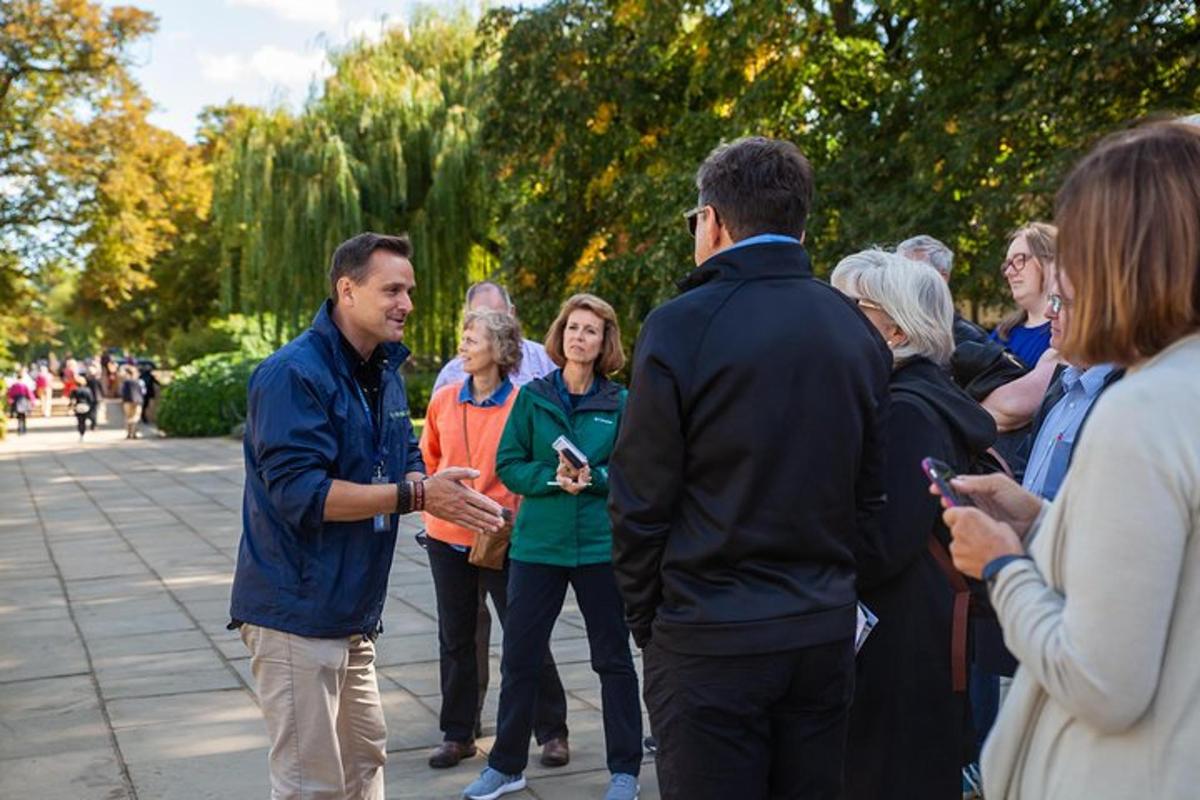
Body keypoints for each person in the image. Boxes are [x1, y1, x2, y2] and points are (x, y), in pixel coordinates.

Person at [608, 136, 892, 799]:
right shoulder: (854, 329)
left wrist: (651, 622)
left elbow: (639, 499)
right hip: (817, 628)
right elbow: (869, 496)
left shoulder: (681, 325)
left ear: (712, 221)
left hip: (710, 635)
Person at [937, 121, 1200, 799]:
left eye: (1077, 246)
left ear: (1126, 256)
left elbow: (1103, 682)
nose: (1063, 278)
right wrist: (1044, 520)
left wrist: (1003, 564)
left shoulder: (1142, 411)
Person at [228, 232, 506, 800]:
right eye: (393, 290)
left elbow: (402, 458)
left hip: (352, 613)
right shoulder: (292, 374)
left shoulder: (384, 371)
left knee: (364, 762)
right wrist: (418, 497)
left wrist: (431, 486)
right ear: (347, 290)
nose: (406, 303)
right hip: (295, 612)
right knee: (313, 783)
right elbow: (301, 495)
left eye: (410, 290)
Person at [463, 294, 642, 800]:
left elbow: (633, 472)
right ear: (560, 337)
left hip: (599, 550)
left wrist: (596, 477)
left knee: (613, 660)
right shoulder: (533, 396)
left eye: (590, 330)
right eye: (572, 329)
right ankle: (505, 766)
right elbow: (509, 463)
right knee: (519, 659)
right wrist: (551, 479)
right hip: (537, 547)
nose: (579, 337)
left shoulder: (621, 403)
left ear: (605, 342)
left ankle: (624, 770)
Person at [831, 251, 996, 799]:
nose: (838, 317)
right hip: (913, 637)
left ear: (895, 328)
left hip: (901, 648)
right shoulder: (920, 397)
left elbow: (883, 545)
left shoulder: (908, 411)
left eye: (854, 307)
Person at [420, 309, 569, 771]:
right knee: (456, 637)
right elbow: (428, 461)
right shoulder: (444, 400)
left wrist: (515, 513)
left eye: (471, 339)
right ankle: (458, 734)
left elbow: (542, 464)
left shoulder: (525, 401)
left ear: (500, 350)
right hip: (447, 537)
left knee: (524, 634)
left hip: (507, 535)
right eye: (463, 338)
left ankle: (552, 732)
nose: (462, 346)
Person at [1019, 271, 1121, 502]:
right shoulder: (1061, 387)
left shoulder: (1121, 400)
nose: (1048, 313)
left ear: (1100, 314)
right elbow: (1028, 476)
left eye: (1060, 303)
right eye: (1050, 300)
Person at [433, 281, 557, 392]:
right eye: (480, 318)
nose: (491, 327)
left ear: (512, 313)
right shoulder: (451, 375)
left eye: (497, 319)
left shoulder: (545, 361)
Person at [896, 234, 989, 346]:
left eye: (912, 270)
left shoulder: (970, 339)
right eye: (898, 270)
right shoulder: (886, 328)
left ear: (942, 278)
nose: (901, 278)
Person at [989, 224, 1054, 369]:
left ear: (1048, 261)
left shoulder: (1063, 335)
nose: (1009, 272)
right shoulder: (1003, 333)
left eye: (1019, 260)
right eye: (1007, 264)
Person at [120, 366, 144, 439]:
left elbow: (122, 392)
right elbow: (142, 392)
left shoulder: (126, 382)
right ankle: (134, 433)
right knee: (135, 417)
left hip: (127, 401)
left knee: (128, 417)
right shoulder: (139, 381)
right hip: (137, 401)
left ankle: (129, 433)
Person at [69, 375, 94, 442]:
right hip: (85, 406)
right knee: (84, 421)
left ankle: (81, 433)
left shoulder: (74, 390)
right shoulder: (88, 390)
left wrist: (71, 407)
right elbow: (91, 399)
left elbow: (72, 400)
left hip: (78, 406)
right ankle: (83, 433)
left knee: (80, 421)